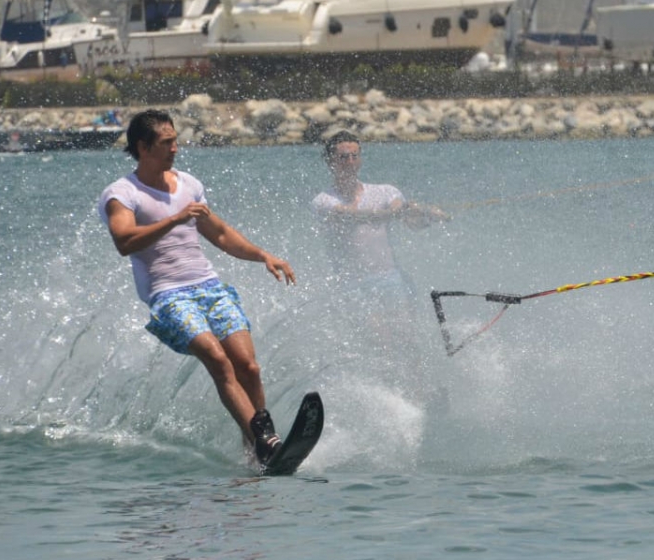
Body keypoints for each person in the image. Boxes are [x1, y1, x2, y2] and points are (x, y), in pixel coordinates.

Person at [98, 109, 297, 467]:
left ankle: (259, 446)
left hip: (209, 286)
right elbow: (125, 241)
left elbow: (219, 233)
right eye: (167, 142)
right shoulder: (122, 193)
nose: (176, 148)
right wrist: (174, 218)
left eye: (175, 140)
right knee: (218, 361)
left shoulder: (188, 184)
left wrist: (263, 255)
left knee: (248, 366)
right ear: (143, 147)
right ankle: (263, 443)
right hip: (167, 294)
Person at [311, 130, 450, 399]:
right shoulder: (323, 201)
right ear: (330, 162)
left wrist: (428, 214)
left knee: (407, 339)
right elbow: (352, 217)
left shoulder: (385, 191)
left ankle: (419, 393)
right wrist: (394, 212)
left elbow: (408, 218)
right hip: (353, 286)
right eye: (343, 157)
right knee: (381, 341)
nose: (350, 162)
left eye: (354, 156)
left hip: (391, 280)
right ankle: (391, 396)